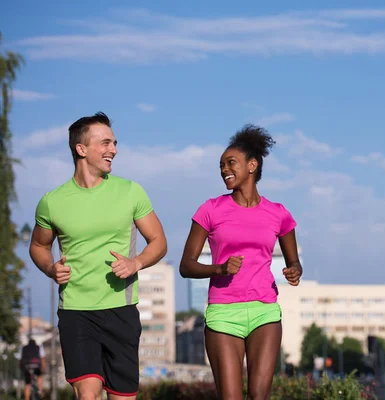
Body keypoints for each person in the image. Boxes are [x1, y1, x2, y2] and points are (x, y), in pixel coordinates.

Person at [29, 112, 168, 400]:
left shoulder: (131, 192)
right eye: (105, 143)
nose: (113, 150)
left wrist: (136, 262)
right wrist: (50, 269)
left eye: (114, 143)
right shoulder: (52, 202)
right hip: (76, 312)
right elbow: (39, 246)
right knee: (87, 391)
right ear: (81, 149)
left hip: (121, 309)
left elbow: (158, 241)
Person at [179, 124, 303, 400]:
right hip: (224, 314)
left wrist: (294, 270)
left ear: (252, 165)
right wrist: (219, 268)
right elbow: (186, 265)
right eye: (221, 165)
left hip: (265, 311)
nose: (224, 169)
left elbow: (294, 261)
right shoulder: (210, 209)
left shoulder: (278, 213)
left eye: (230, 163)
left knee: (260, 395)